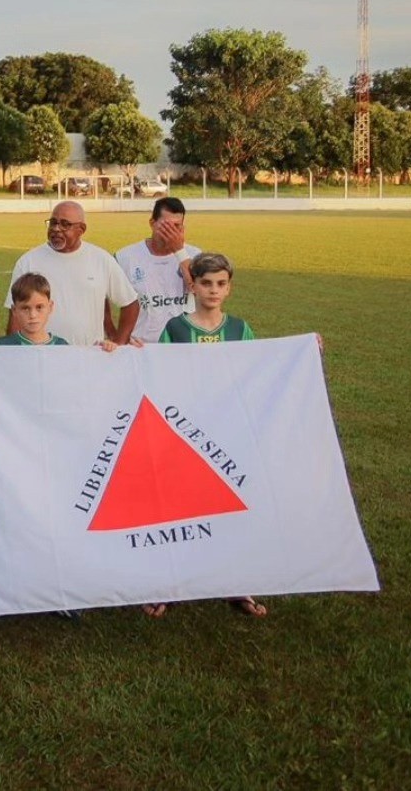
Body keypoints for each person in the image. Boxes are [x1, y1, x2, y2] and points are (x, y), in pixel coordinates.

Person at [149, 251, 265, 619]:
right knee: (180, 507)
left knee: (229, 505)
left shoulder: (240, 329)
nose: (213, 290)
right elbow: (158, 374)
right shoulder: (176, 328)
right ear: (193, 286)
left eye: (220, 284)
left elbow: (260, 369)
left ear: (229, 288)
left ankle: (236, 583)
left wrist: (306, 349)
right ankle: (170, 583)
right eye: (206, 283)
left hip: (226, 430)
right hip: (185, 431)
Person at [6, 201, 138, 347]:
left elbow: (130, 303)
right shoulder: (28, 262)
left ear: (81, 229)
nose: (56, 229)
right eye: (53, 223)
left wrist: (119, 343)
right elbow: (15, 315)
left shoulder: (101, 259)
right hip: (41, 354)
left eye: (65, 224)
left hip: (88, 355)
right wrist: (15, 353)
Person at [115, 197, 201, 344]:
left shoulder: (194, 255)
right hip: (142, 345)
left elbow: (198, 290)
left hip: (184, 343)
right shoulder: (126, 257)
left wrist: (179, 251)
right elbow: (102, 298)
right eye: (166, 226)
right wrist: (118, 336)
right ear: (152, 223)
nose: (171, 232)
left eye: (176, 226)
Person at [0, 273, 68, 346]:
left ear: (50, 307)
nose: (33, 315)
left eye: (39, 307)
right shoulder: (2, 346)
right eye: (25, 308)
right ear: (14, 310)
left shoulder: (62, 346)